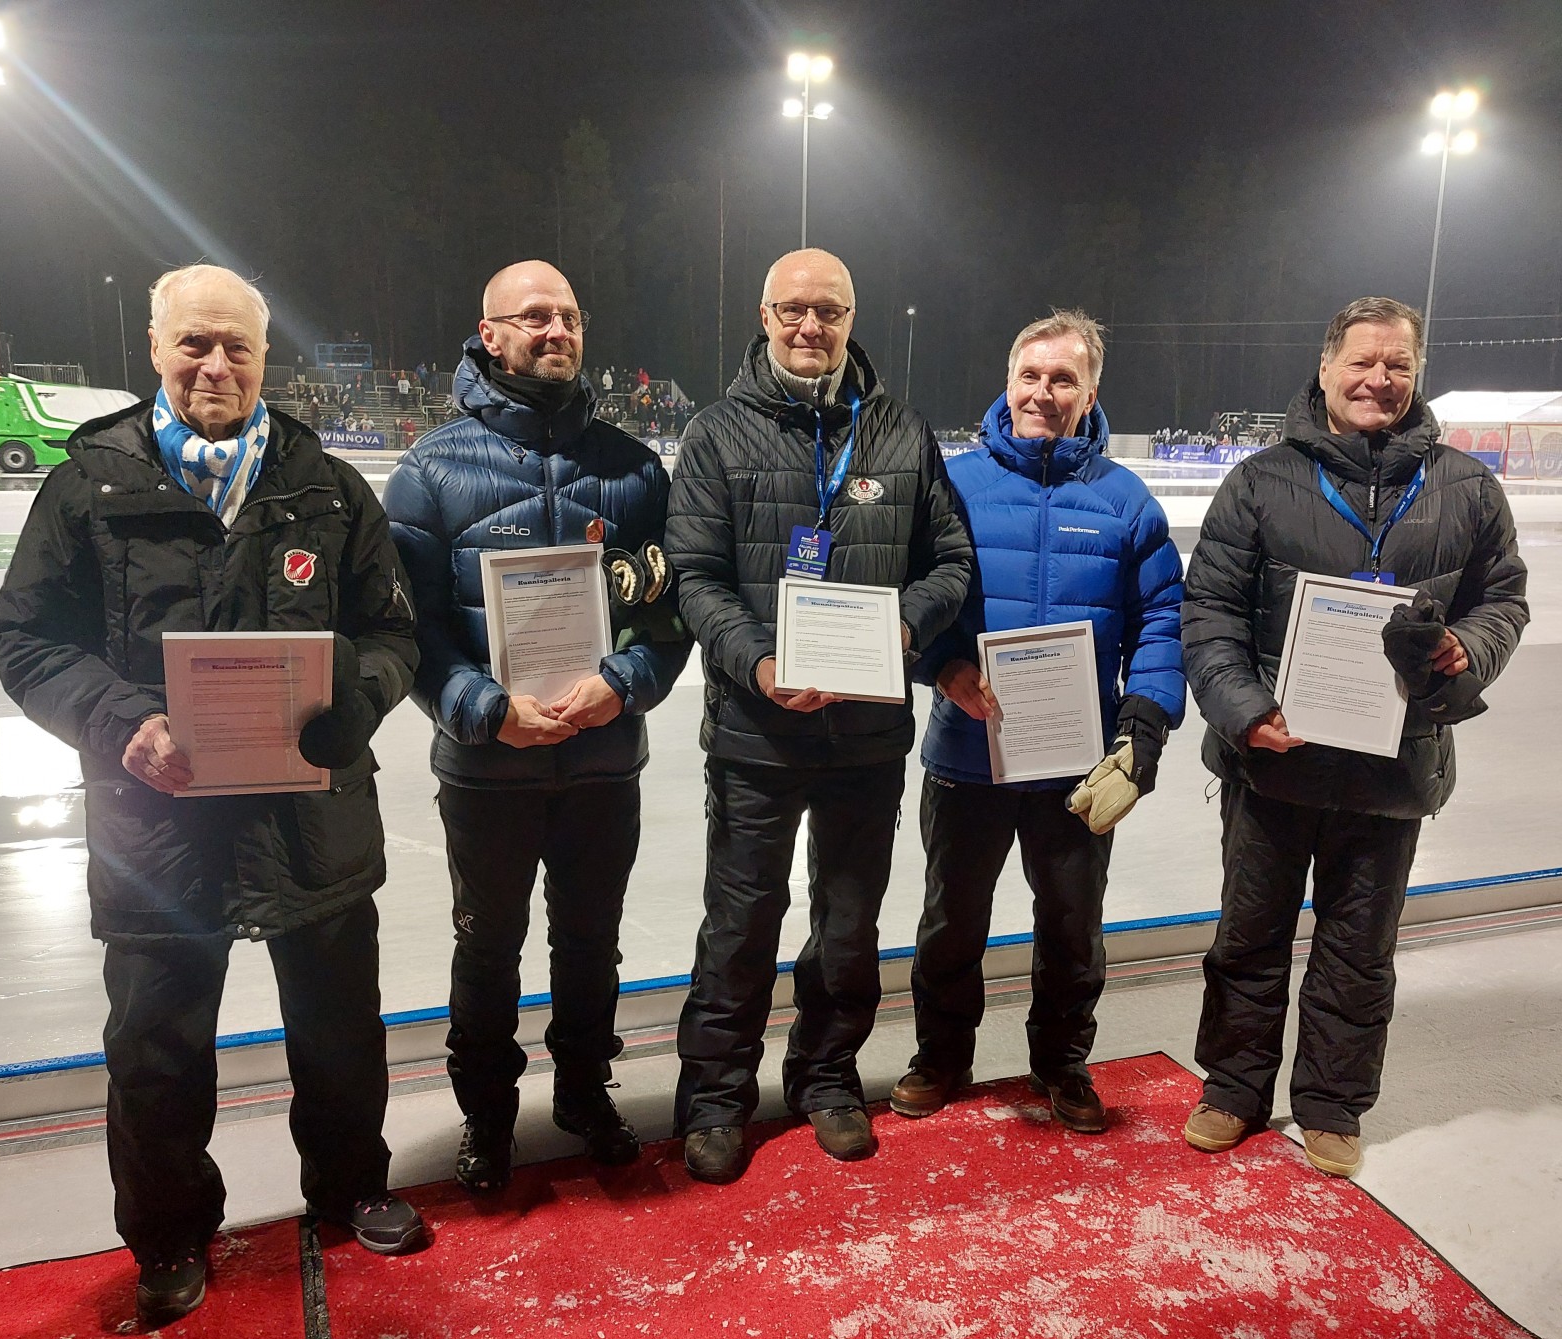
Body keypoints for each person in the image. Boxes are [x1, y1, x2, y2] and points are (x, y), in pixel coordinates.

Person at [0, 264, 425, 1329]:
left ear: (265, 358)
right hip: (158, 822)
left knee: (338, 1027)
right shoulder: (88, 487)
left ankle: (350, 1186)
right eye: (194, 344)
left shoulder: (327, 486)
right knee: (156, 1045)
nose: (215, 365)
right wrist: (119, 725)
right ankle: (171, 1232)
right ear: (155, 348)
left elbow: (391, 631)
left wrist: (355, 702)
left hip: (309, 817)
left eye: (237, 346)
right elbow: (25, 638)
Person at [1180, 296, 1528, 1178]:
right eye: (1364, 362)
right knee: (1249, 935)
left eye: (1398, 364)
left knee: (1359, 948)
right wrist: (1243, 710)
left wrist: (1468, 648)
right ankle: (1233, 1087)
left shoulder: (1466, 487)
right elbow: (1210, 611)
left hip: (1392, 769)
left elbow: (1504, 600)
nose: (1380, 379)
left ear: (1417, 374)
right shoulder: (1260, 481)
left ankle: (1333, 1104)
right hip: (1272, 764)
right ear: (1327, 367)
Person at [664, 247, 973, 1182]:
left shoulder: (901, 433)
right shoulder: (716, 434)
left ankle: (827, 1076)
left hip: (864, 736)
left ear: (850, 319)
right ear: (764, 317)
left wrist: (897, 633)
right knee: (740, 921)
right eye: (794, 309)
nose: (811, 326)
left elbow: (950, 562)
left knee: (849, 920)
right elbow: (695, 576)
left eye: (829, 311)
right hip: (757, 731)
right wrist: (757, 662)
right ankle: (716, 1096)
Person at [384, 261, 690, 1192]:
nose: (556, 331)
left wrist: (624, 686)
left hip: (603, 759)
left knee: (592, 943)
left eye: (568, 316)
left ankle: (586, 1093)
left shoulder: (635, 470)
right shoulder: (431, 469)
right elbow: (409, 629)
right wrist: (482, 709)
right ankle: (488, 1115)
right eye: (533, 318)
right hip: (489, 768)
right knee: (487, 947)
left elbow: (668, 616)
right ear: (488, 334)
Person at [894, 310, 1185, 1128]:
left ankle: (1061, 1064)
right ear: (1008, 381)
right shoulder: (954, 486)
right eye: (1031, 375)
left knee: (1071, 926)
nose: (1043, 393)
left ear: (1090, 393)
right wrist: (940, 665)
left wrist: (1142, 727)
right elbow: (912, 599)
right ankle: (940, 1057)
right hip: (968, 753)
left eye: (1063, 379)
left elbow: (1162, 620)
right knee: (952, 921)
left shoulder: (1125, 502)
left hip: (1075, 763)